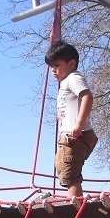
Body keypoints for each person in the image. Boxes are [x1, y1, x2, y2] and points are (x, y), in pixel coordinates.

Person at [45, 40, 97, 199]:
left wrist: (79, 124)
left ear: (71, 63)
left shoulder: (73, 78)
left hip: (76, 135)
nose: (53, 70)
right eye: (51, 67)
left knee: (69, 170)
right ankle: (74, 201)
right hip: (69, 136)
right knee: (61, 163)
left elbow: (87, 96)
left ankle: (76, 207)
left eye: (57, 65)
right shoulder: (65, 83)